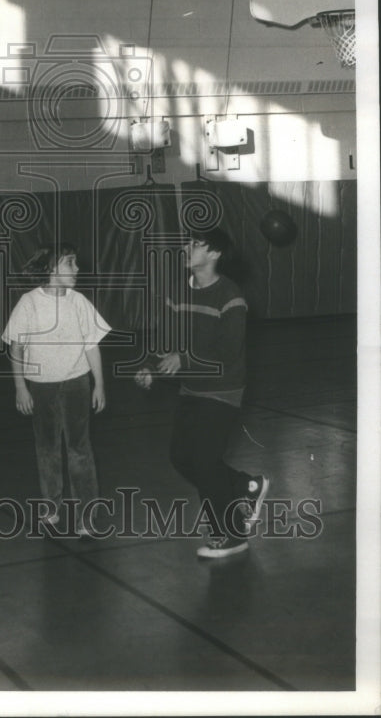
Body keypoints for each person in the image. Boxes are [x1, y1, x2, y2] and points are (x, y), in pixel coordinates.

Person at [135, 227, 269, 560]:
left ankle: (231, 535)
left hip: (223, 390)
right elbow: (164, 339)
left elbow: (226, 353)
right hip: (191, 388)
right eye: (188, 242)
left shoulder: (231, 297)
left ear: (214, 254)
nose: (187, 247)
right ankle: (245, 486)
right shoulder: (177, 292)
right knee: (181, 458)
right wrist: (152, 368)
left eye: (196, 244)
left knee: (205, 463)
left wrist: (182, 359)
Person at [2, 242, 110, 537]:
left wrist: (98, 384)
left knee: (79, 449)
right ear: (52, 268)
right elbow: (16, 347)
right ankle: (51, 506)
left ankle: (87, 516)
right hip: (41, 388)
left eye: (75, 263)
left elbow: (92, 346)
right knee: (47, 448)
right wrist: (20, 387)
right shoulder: (29, 303)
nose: (77, 269)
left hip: (76, 383)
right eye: (70, 263)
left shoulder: (79, 302)